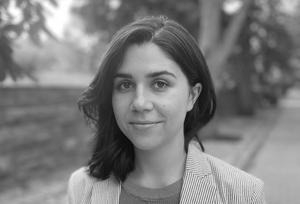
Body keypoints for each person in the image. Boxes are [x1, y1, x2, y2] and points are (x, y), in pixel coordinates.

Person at [67, 16, 266, 204]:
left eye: (160, 84)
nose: (140, 103)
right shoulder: (82, 187)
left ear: (192, 96)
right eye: (125, 85)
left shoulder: (243, 194)